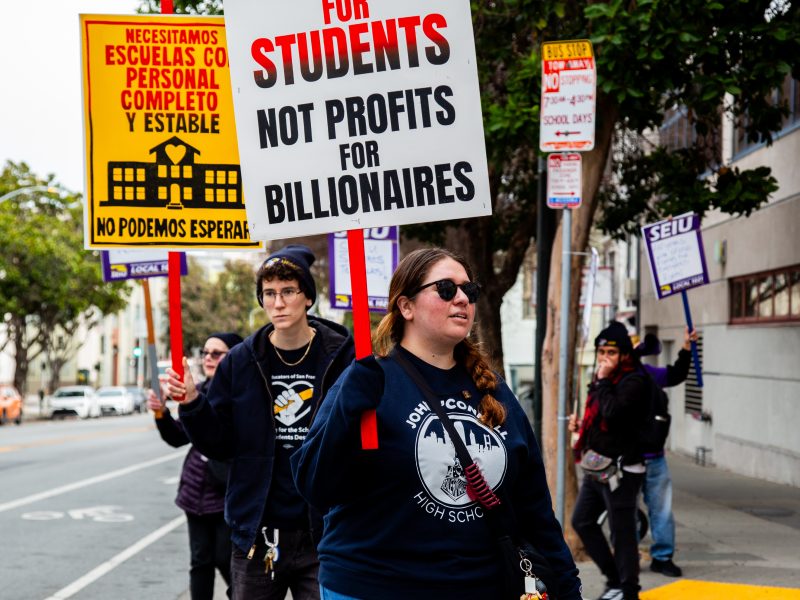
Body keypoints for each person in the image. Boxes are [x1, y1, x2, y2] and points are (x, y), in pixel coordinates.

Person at [291, 247, 583, 600]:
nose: (461, 298)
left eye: (469, 291)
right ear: (406, 306)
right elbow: (315, 485)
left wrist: (568, 587)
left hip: (479, 586)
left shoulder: (494, 389)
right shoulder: (368, 381)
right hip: (374, 585)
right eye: (445, 288)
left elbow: (533, 505)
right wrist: (347, 410)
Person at [163, 244, 355, 600]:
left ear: (308, 298)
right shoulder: (241, 361)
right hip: (258, 532)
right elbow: (218, 443)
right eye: (269, 294)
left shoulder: (343, 355)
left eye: (287, 292)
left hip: (325, 531)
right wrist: (191, 402)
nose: (278, 303)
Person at [149, 331, 243, 600]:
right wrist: (162, 413)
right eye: (205, 353)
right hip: (195, 492)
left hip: (227, 492)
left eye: (216, 353)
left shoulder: (241, 395)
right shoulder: (196, 391)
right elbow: (178, 436)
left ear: (234, 356)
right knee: (200, 562)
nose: (208, 359)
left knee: (227, 560)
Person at [569, 321, 653, 600]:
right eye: (601, 351)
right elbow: (599, 417)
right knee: (581, 521)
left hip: (622, 470)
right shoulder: (601, 380)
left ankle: (629, 591)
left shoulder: (633, 381)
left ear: (624, 355)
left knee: (622, 531)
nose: (605, 357)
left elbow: (614, 414)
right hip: (596, 465)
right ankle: (615, 580)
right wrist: (581, 426)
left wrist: (604, 380)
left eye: (611, 353)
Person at [636, 327, 698, 578]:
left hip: (655, 457)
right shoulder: (611, 380)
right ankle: (627, 558)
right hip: (626, 459)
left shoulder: (648, 374)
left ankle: (662, 558)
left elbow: (675, 374)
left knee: (661, 510)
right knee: (625, 510)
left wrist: (686, 348)